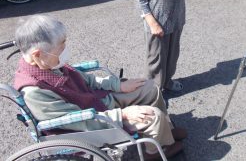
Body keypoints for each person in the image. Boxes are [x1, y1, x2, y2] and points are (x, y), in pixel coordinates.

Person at [13, 15, 186, 160]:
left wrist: (118, 84)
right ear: (37, 54)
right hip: (87, 124)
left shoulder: (46, 63)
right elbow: (80, 122)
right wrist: (123, 114)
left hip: (95, 102)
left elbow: (84, 78)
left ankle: (166, 134)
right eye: (61, 47)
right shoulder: (34, 91)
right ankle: (153, 152)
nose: (65, 51)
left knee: (149, 88)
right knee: (151, 116)